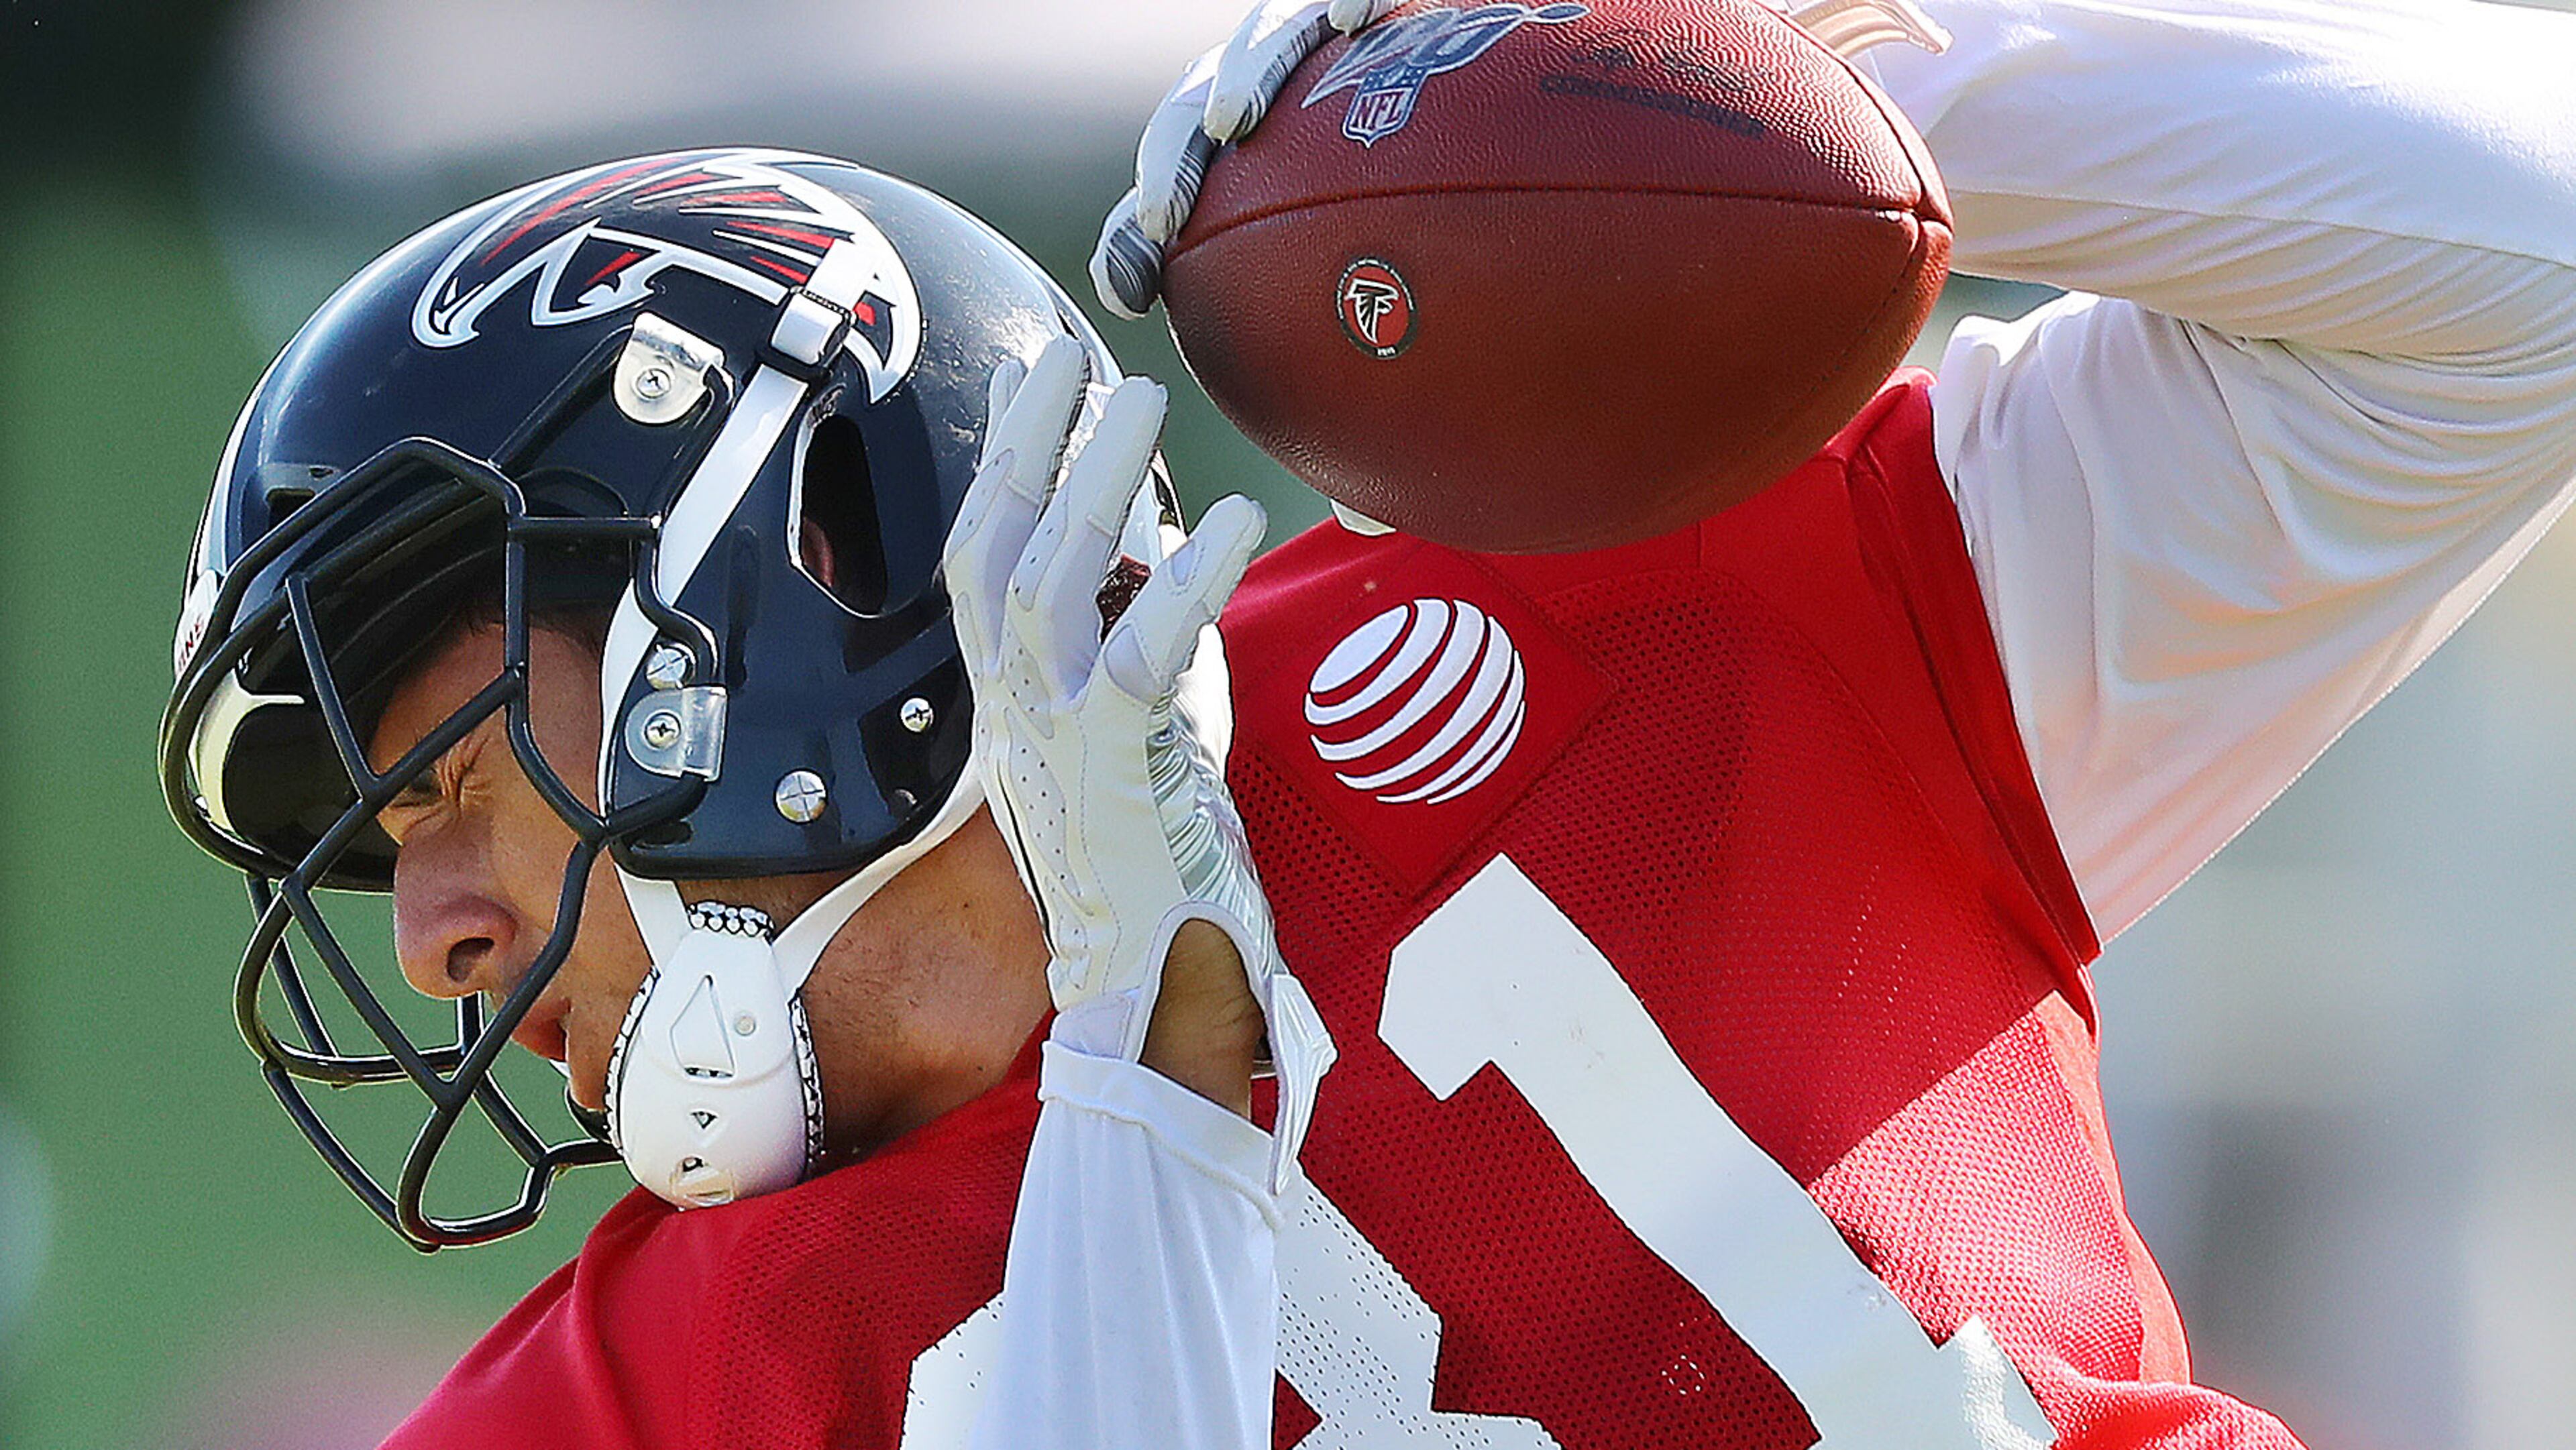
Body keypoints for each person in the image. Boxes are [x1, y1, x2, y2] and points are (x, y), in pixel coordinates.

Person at [155, 1, 2576, 1448]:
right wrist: (1153, 1058)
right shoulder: (670, 1388)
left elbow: (2519, 290)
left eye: (451, 779)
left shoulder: (1637, 607)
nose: (445, 937)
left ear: (773, 551)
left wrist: (1800, 51)